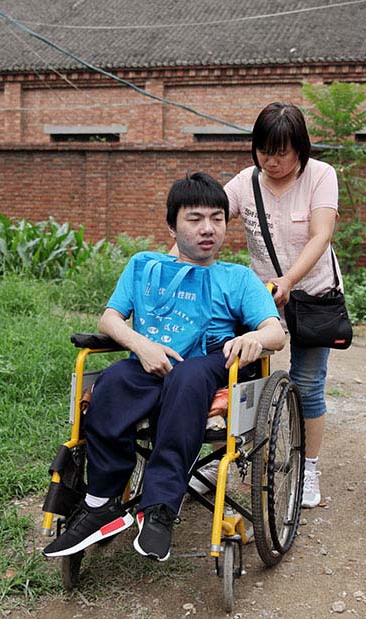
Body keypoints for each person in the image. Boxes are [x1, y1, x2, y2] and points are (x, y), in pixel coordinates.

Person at [43, 172, 285, 562]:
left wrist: (255, 338)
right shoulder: (144, 266)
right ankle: (100, 499)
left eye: (217, 218)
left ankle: (158, 508)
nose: (208, 229)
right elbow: (110, 319)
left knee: (188, 377)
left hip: (206, 365)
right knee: (112, 382)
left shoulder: (237, 278)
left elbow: (276, 331)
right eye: (195, 219)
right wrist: (141, 345)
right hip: (149, 361)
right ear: (171, 224)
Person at [192, 102, 342, 509]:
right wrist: (176, 265)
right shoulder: (245, 182)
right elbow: (208, 219)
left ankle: (308, 469)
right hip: (262, 299)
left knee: (308, 384)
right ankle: (220, 459)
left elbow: (320, 236)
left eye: (282, 152)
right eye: (264, 151)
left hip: (312, 293)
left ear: (300, 149)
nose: (272, 161)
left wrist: (289, 281)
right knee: (240, 376)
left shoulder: (320, 176)